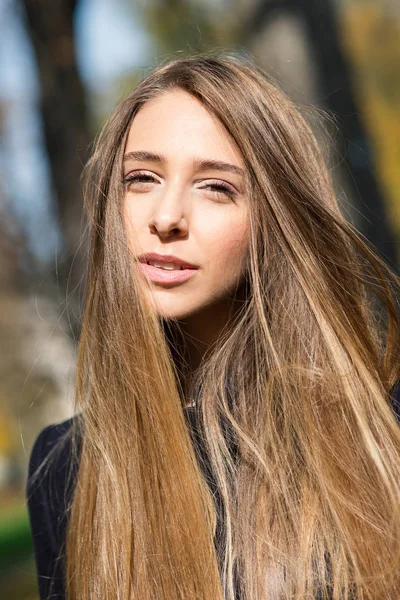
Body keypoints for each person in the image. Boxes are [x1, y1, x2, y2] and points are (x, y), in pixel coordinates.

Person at [26, 52, 400, 600]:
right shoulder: (67, 468)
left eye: (216, 187)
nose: (166, 215)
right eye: (142, 178)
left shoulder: (379, 425)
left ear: (274, 221)